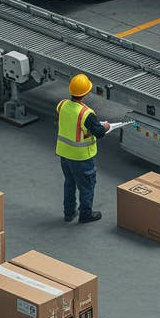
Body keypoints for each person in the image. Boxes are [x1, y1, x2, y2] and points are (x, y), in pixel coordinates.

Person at [56, 74, 110, 224]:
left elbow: (72, 124)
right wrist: (105, 127)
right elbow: (99, 133)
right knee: (87, 186)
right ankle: (85, 215)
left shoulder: (62, 105)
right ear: (86, 93)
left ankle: (69, 212)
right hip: (81, 158)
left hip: (64, 154)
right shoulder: (86, 114)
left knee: (69, 183)